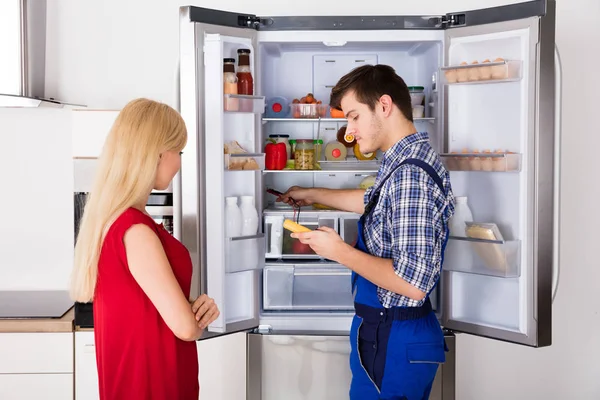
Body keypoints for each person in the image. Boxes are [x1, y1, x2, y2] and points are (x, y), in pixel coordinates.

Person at [278, 65, 455, 399]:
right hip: (386, 332)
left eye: (354, 116)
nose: (349, 131)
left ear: (384, 106)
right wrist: (313, 193)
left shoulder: (410, 176)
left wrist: (339, 252)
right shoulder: (402, 160)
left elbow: (413, 283)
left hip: (395, 335)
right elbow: (376, 202)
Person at [69, 98, 219, 400]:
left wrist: (186, 304)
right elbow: (186, 330)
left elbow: (139, 299)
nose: (179, 162)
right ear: (157, 153)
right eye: (178, 152)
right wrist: (196, 319)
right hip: (153, 384)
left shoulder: (114, 219)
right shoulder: (136, 229)